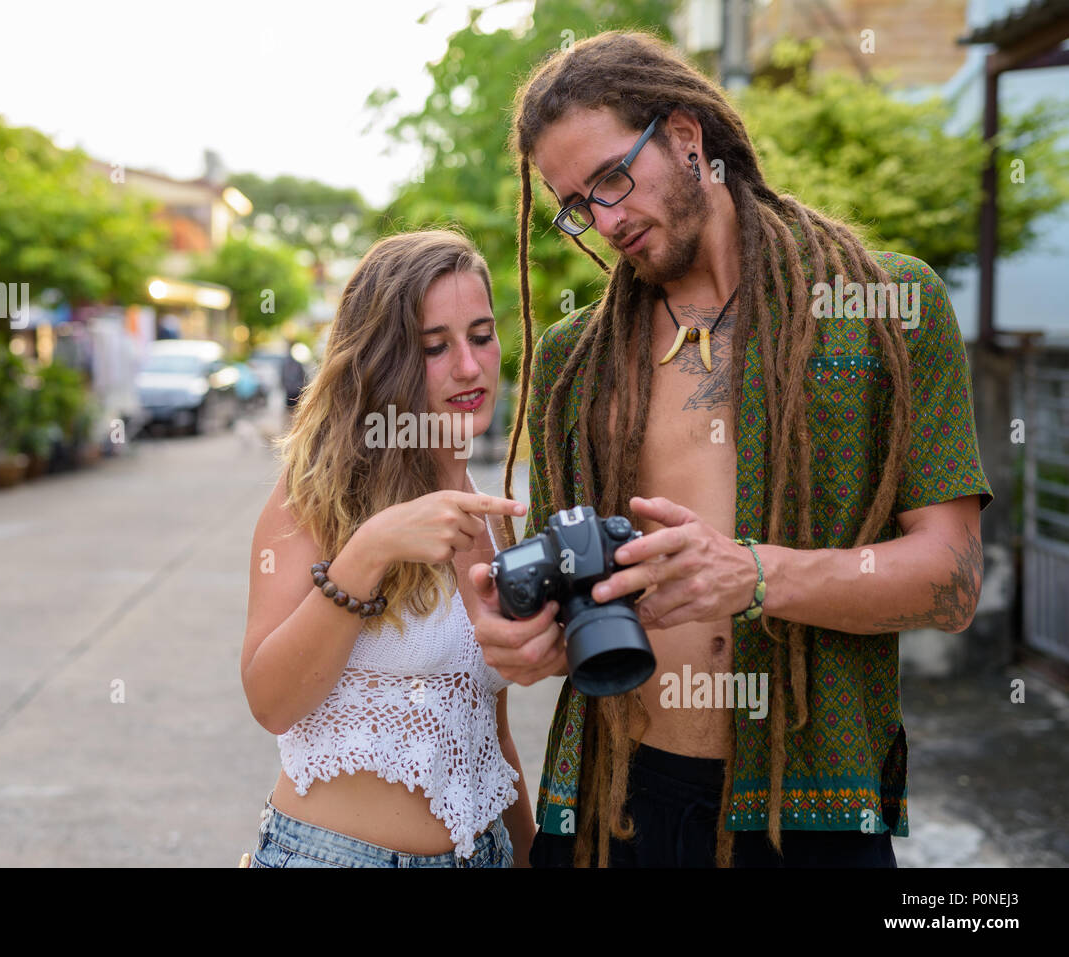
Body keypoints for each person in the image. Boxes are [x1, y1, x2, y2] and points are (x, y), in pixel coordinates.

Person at [469, 31, 992, 868]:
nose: (604, 221)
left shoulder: (885, 309)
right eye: (576, 205)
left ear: (686, 137)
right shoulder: (575, 360)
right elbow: (570, 607)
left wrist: (754, 575)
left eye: (611, 178)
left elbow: (954, 580)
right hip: (612, 808)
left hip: (809, 814)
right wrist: (524, 640)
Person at [241, 230, 538, 867]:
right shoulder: (317, 499)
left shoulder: (490, 515)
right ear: (384, 361)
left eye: (481, 336)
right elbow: (271, 701)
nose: (469, 366)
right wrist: (367, 552)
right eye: (435, 347)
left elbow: (488, 732)